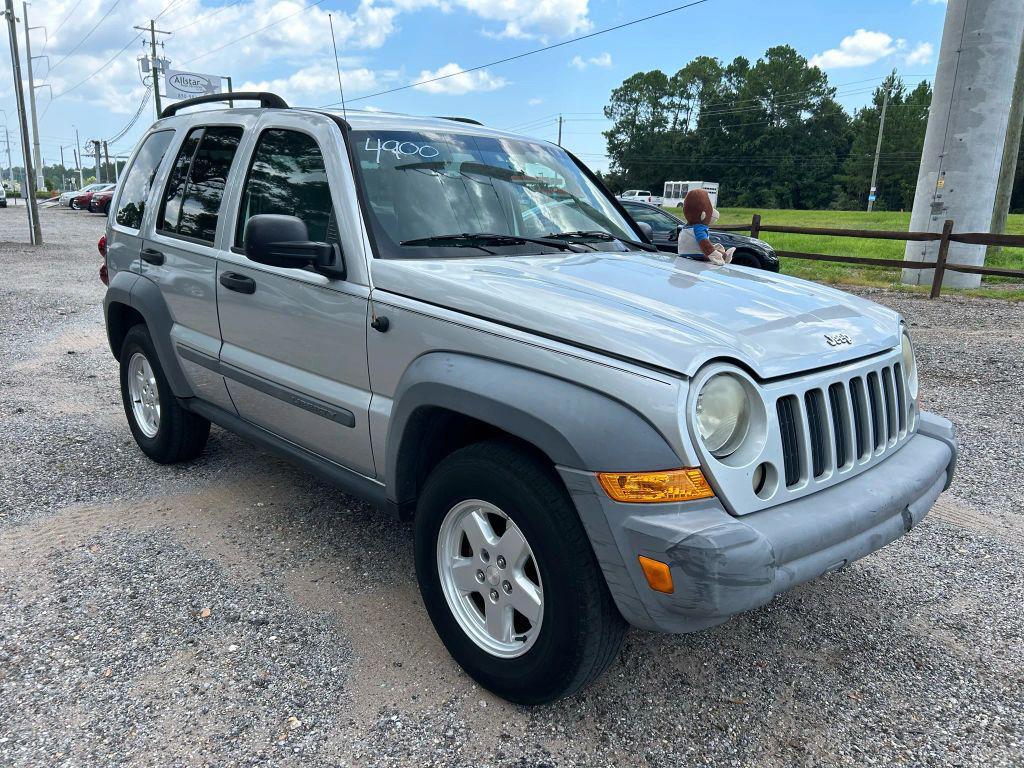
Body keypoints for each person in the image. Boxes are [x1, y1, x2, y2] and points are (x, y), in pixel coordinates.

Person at [676, 188, 735, 266]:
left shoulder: (685, 228)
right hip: (696, 254)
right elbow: (704, 243)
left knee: (715, 248)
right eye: (710, 211)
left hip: (682, 253)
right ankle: (725, 256)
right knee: (713, 251)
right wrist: (714, 255)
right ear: (703, 215)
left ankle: (722, 253)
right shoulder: (699, 228)